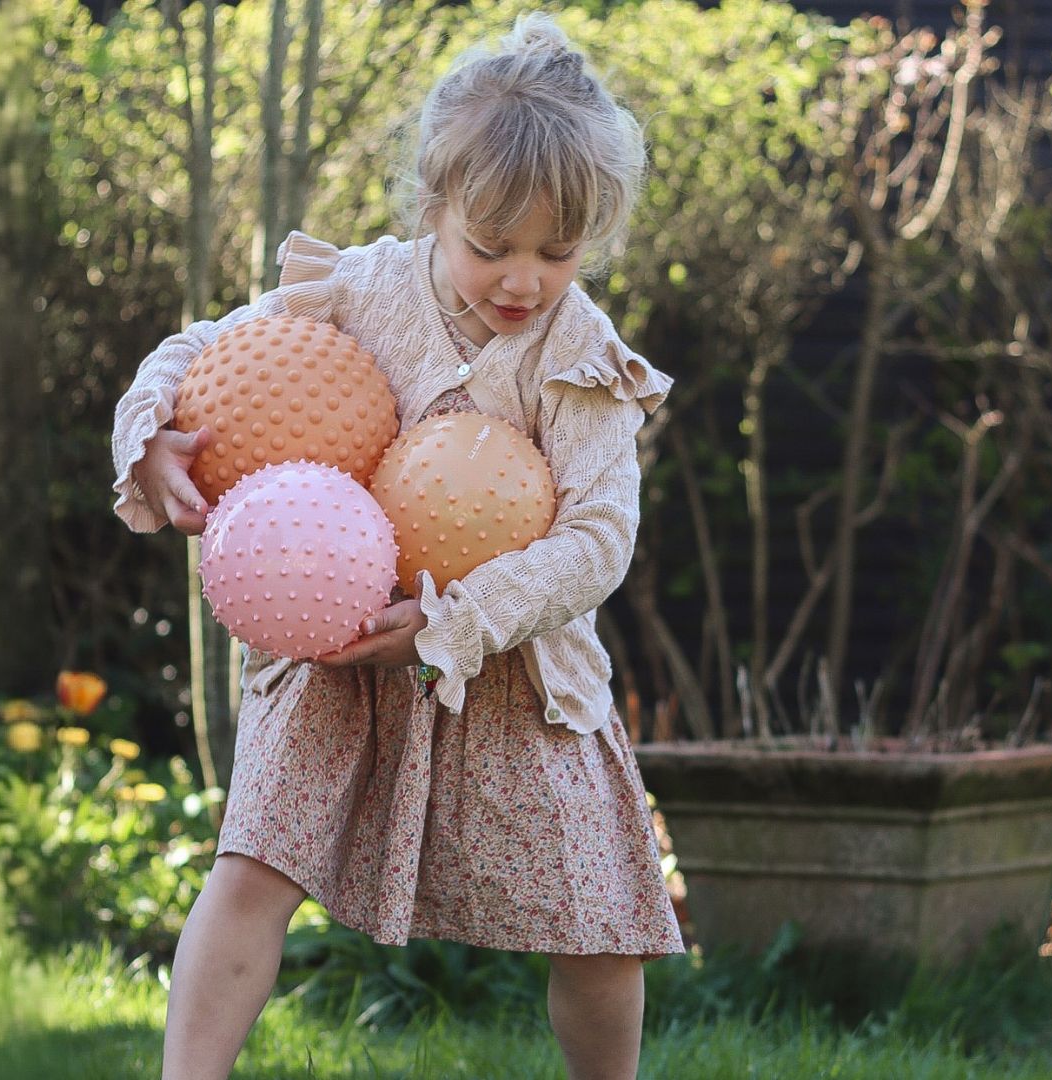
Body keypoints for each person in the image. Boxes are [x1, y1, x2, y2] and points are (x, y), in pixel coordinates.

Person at [111, 12, 683, 1080]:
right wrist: (147, 434)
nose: (523, 279)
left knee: (604, 927)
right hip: (336, 645)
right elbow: (208, 349)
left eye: (557, 253)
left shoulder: (581, 359)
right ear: (436, 206)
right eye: (490, 246)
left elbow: (599, 537)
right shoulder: (365, 287)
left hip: (511, 670)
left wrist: (455, 621)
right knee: (251, 868)